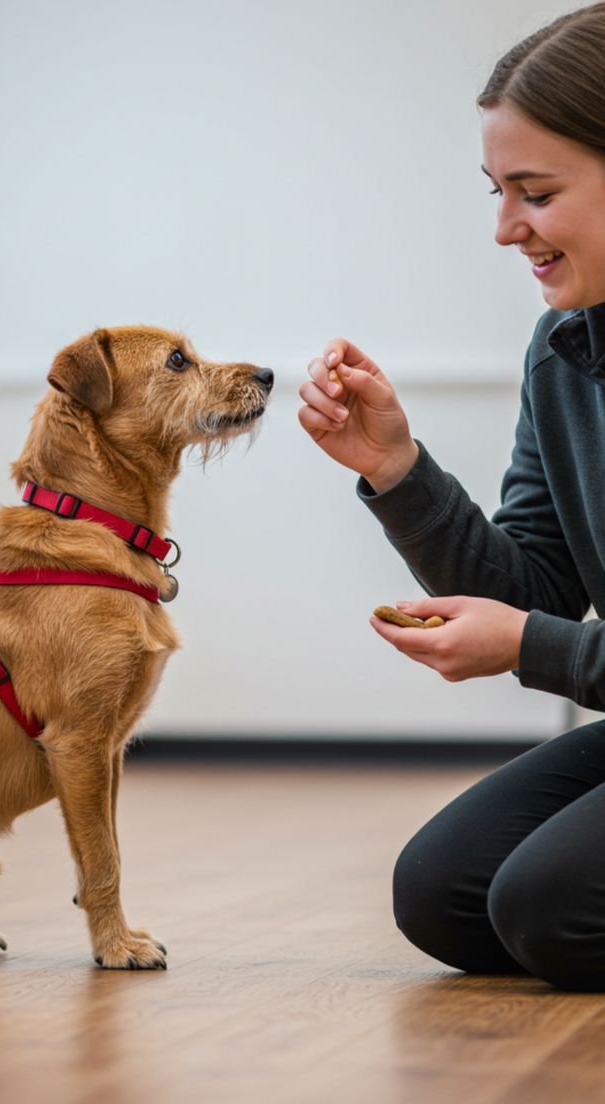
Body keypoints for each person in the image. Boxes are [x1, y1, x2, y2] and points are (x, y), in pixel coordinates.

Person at [298, 2, 605, 992]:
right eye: (496, 191)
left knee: (552, 911)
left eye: (535, 192)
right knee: (444, 892)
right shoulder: (563, 352)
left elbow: (535, 633)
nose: (505, 228)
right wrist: (394, 468)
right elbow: (538, 589)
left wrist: (529, 649)